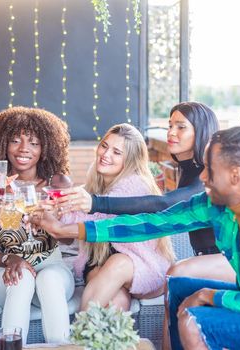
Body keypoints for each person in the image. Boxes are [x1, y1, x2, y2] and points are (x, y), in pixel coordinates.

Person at [35, 110, 240, 350]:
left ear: (235, 175)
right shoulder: (216, 202)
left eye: (210, 171)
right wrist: (67, 229)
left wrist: (209, 295)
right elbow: (152, 222)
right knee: (180, 286)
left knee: (193, 318)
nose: (202, 177)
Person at [0, 106, 75, 344]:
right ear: (2, 144)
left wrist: (51, 223)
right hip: (8, 273)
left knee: (48, 279)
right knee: (22, 278)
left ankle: (61, 348)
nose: (23, 149)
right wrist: (10, 259)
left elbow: (68, 239)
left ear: (45, 148)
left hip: (53, 270)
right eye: (15, 140)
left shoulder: (57, 182)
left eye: (33, 143)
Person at [60, 123, 175, 311]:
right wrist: (56, 208)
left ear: (130, 160)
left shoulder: (136, 185)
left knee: (118, 263)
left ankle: (76, 337)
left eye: (117, 152)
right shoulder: (94, 181)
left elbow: (99, 220)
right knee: (115, 301)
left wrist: (63, 214)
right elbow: (73, 215)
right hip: (101, 261)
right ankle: (102, 340)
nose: (106, 155)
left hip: (142, 265)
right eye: (104, 146)